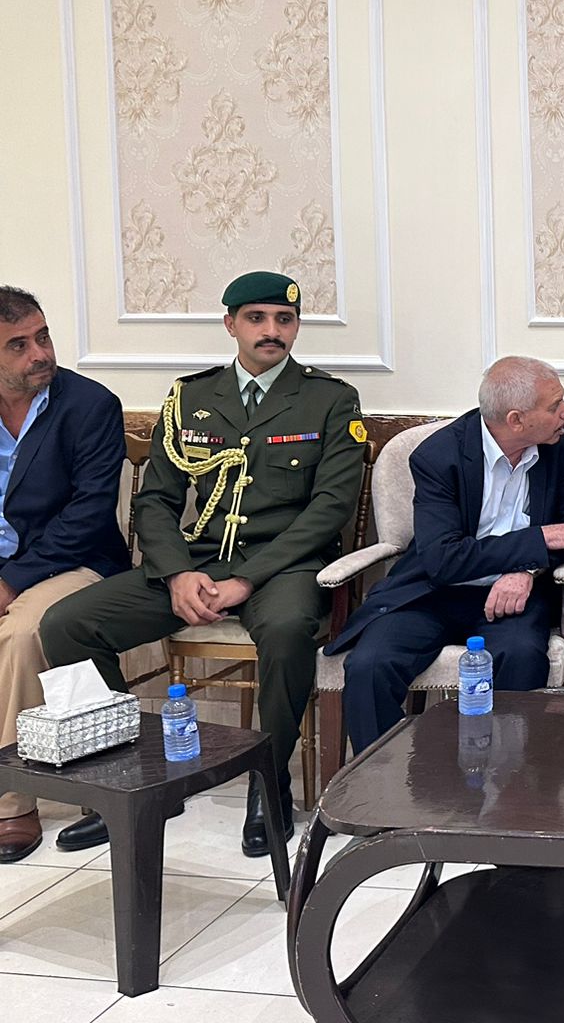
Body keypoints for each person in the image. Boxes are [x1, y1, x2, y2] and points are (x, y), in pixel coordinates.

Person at [40, 272, 365, 858]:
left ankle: (269, 784)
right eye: (256, 318)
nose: (272, 331)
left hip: (286, 565)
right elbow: (155, 500)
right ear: (230, 324)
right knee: (67, 624)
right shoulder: (191, 397)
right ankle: (126, 782)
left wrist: (246, 578)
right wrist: (176, 574)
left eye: (284, 320)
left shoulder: (330, 399)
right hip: (198, 559)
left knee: (287, 630)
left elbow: (331, 508)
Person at [328, 357, 564, 752]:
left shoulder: (556, 446)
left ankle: (511, 782)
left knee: (521, 655)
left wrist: (526, 569)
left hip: (513, 598)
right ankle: (379, 781)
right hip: (433, 592)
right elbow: (444, 559)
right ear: (516, 420)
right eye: (554, 406)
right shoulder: (439, 456)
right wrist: (538, 540)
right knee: (370, 665)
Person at [0, 288, 130, 863]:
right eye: (19, 345)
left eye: (43, 336)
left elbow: (89, 514)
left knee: (21, 632)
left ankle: (12, 804)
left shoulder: (89, 405)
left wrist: (12, 581)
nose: (40, 354)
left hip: (76, 563)